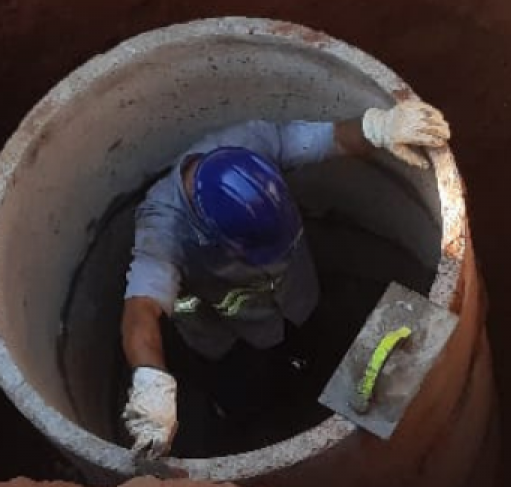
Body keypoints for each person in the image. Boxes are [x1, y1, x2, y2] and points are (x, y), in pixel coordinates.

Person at [120, 100, 451, 459]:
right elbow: (140, 313)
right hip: (229, 340)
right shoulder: (162, 228)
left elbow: (331, 138)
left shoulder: (248, 145)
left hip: (297, 300)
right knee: (248, 394)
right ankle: (247, 422)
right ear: (214, 234)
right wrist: (151, 382)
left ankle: (317, 382)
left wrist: (381, 127)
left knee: (320, 345)